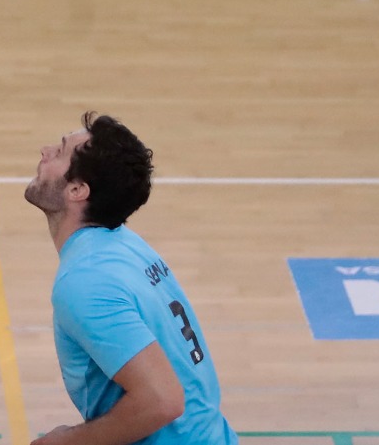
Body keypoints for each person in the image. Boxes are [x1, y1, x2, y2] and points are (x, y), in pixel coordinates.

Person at [24, 113, 236, 445]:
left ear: (77, 190)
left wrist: (66, 441)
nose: (45, 151)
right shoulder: (124, 243)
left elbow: (162, 401)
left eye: (60, 152)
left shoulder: (85, 280)